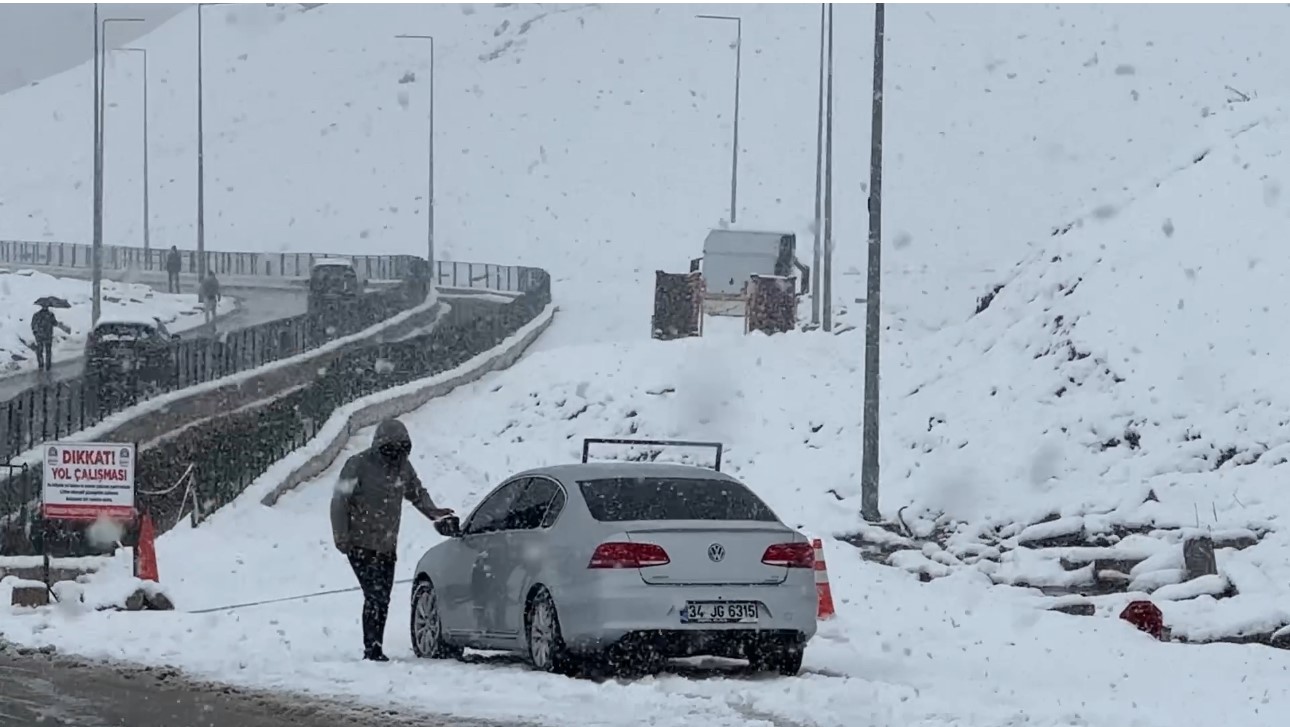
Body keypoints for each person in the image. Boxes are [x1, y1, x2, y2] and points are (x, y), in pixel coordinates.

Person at [330, 418, 454, 662]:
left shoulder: (403, 469)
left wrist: (433, 511)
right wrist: (341, 536)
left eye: (401, 450)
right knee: (374, 595)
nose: (395, 456)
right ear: (379, 446)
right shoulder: (357, 465)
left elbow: (417, 493)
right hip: (359, 543)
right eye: (390, 450)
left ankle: (376, 644)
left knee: (383, 597)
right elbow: (339, 501)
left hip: (386, 546)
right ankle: (372, 648)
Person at [30, 304, 59, 372]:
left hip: (40, 336)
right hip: (48, 336)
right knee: (47, 351)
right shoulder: (50, 315)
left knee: (40, 351)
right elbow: (55, 323)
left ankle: (41, 365)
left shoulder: (37, 315)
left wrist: (35, 332)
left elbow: (33, 325)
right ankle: (47, 366)